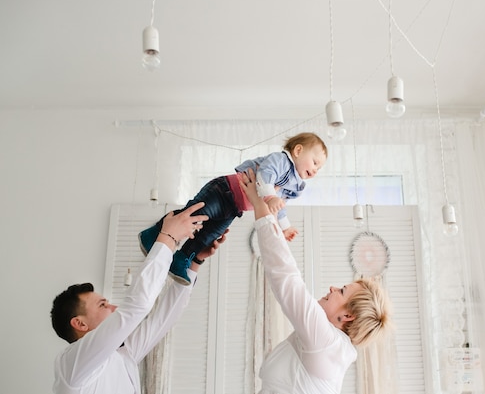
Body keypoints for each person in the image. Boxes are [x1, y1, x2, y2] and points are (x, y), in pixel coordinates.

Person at [238, 169, 393, 394]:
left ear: (348, 315)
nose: (332, 288)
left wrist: (259, 203)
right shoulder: (329, 346)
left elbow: (287, 278)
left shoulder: (326, 342)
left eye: (341, 291)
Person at [50, 202, 228, 394]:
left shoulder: (121, 355)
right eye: (103, 305)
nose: (114, 307)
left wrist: (194, 261)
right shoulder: (71, 365)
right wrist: (168, 237)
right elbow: (137, 306)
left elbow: (163, 319)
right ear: (80, 324)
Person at [138, 131, 328, 285]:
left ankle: (182, 258)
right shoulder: (281, 161)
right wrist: (269, 197)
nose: (315, 170)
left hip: (234, 207)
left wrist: (285, 226)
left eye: (319, 169)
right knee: (194, 215)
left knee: (208, 236)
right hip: (224, 191)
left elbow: (279, 206)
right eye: (315, 162)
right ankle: (154, 232)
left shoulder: (292, 184)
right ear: (298, 150)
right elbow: (264, 175)